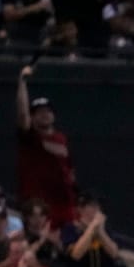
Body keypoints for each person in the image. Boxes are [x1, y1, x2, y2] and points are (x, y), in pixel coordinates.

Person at [16, 65, 79, 230]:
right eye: (39, 112)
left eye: (47, 111)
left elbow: (70, 170)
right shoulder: (30, 137)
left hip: (65, 205)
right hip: (39, 208)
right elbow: (22, 115)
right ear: (33, 116)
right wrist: (22, 82)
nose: (44, 114)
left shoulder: (61, 139)